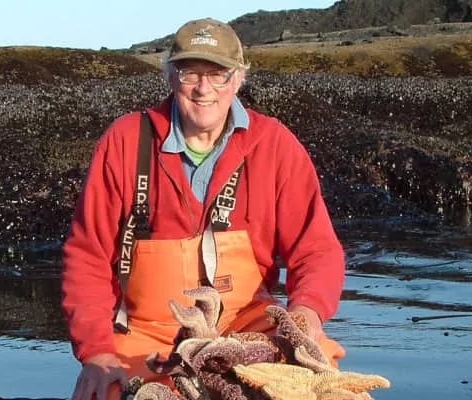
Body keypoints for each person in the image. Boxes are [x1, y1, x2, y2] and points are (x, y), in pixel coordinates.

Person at [61, 17, 346, 400]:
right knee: (109, 390)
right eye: (190, 73)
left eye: (218, 74)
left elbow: (317, 251)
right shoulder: (125, 141)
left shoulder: (275, 145)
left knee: (320, 379)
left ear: (239, 77)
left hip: (249, 325)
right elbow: (87, 257)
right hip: (147, 333)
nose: (203, 88)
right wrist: (96, 352)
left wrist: (306, 314)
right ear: (169, 76)